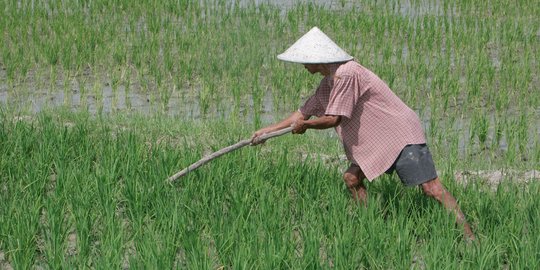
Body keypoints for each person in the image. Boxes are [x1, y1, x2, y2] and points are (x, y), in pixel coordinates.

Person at [250, 27, 475, 240]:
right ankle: (376, 229)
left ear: (316, 58)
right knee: (351, 179)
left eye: (303, 60)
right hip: (380, 140)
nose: (302, 66)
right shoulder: (329, 82)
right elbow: (302, 113)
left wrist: (306, 126)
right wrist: (265, 132)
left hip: (399, 133)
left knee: (431, 188)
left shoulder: (347, 73)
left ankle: (470, 238)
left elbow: (333, 119)